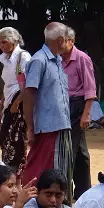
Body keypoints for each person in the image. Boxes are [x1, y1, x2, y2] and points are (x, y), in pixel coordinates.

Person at [20, 22, 73, 189]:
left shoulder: (57, 60)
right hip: (47, 127)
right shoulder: (39, 61)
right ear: (60, 40)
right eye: (66, 39)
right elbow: (29, 95)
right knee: (41, 168)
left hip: (61, 124)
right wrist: (30, 127)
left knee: (59, 169)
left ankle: (56, 205)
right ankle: (30, 202)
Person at [58, 26, 95, 196]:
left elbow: (90, 89)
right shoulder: (58, 59)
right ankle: (83, 191)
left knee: (69, 150)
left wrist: (86, 113)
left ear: (71, 42)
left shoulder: (82, 59)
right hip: (63, 106)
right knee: (80, 152)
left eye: (62, 41)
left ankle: (65, 193)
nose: (58, 45)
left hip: (77, 105)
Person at [0, 27, 31, 169]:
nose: (1, 46)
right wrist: (0, 110)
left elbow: (29, 83)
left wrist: (17, 102)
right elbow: (7, 85)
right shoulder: (6, 59)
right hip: (10, 99)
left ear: (13, 41)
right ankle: (9, 171)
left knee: (16, 138)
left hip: (19, 99)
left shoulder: (23, 57)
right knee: (5, 137)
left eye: (4, 42)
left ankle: (17, 173)